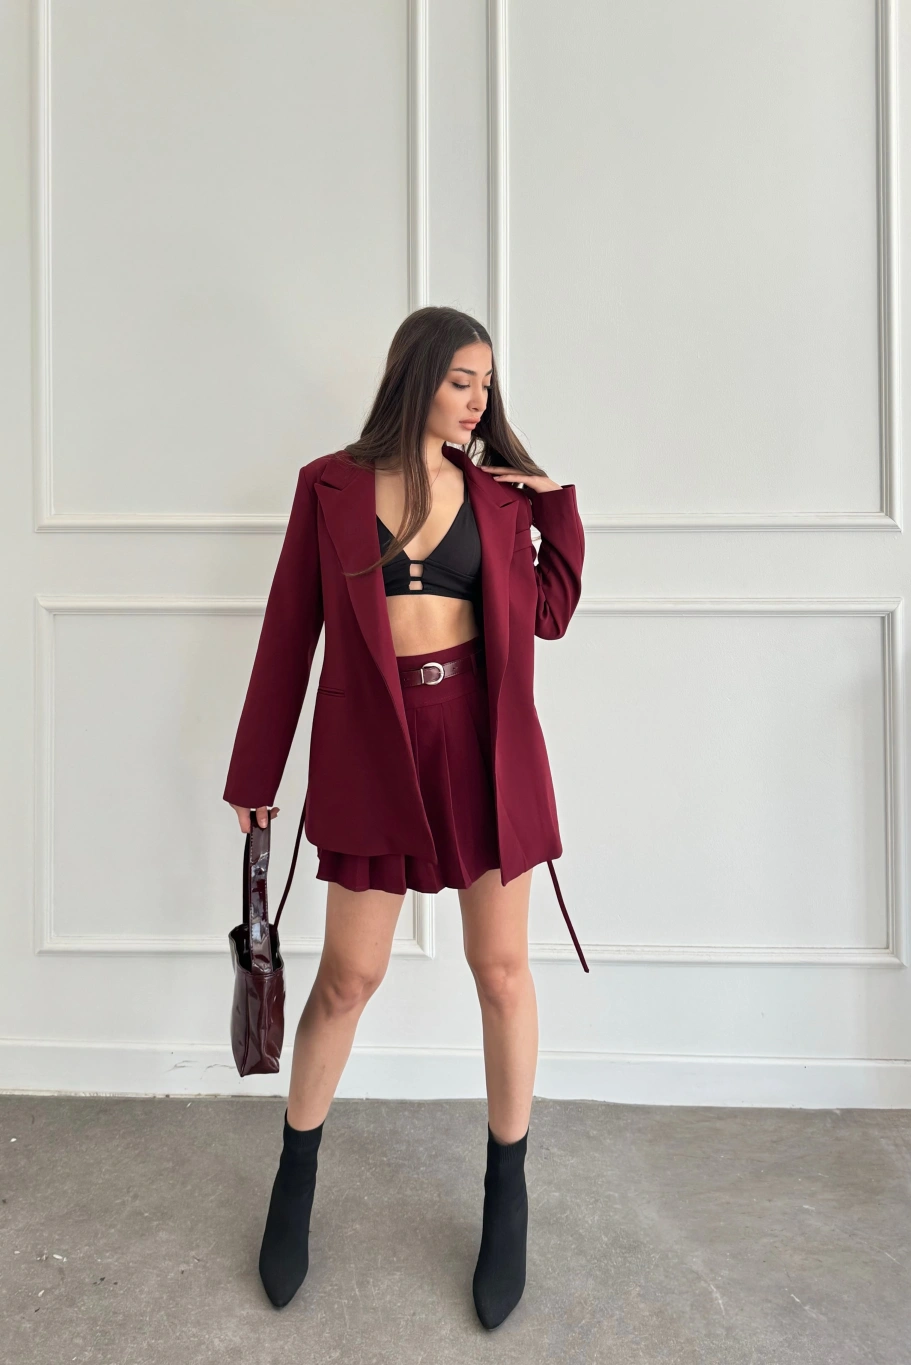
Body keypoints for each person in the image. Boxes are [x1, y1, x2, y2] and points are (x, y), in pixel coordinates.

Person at [223, 305, 587, 1328]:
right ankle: (295, 1178)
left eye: (486, 384)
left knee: (501, 972)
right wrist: (255, 772)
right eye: (463, 380)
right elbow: (288, 632)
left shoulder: (497, 498)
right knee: (348, 977)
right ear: (417, 376)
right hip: (372, 747)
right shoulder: (328, 486)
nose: (478, 399)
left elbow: (550, 612)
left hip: (480, 743)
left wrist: (553, 506)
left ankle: (506, 1194)